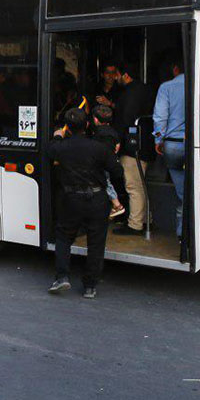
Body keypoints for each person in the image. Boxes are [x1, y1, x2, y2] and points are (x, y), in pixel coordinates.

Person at [47, 108, 126, 299]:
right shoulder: (99, 148)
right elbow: (117, 172)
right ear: (88, 125)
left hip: (70, 199)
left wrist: (58, 136)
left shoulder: (60, 147)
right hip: (97, 199)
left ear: (68, 128)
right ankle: (90, 286)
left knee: (64, 237)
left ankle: (62, 277)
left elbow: (51, 150)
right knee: (96, 243)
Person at [106, 62, 153, 236]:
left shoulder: (129, 93)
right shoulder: (146, 90)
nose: (115, 79)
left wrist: (116, 142)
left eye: (117, 75)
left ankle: (134, 224)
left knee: (133, 186)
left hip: (132, 146)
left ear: (125, 75)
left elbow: (125, 120)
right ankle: (145, 219)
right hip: (146, 142)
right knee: (141, 184)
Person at [153, 58, 186, 240]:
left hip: (172, 145)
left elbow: (160, 116)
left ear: (175, 68)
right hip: (196, 144)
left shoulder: (166, 87)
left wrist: (159, 139)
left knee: (181, 192)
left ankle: (182, 233)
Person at [91, 104, 126, 219]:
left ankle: (117, 205)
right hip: (111, 162)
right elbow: (117, 146)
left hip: (101, 164)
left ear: (95, 119)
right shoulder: (113, 131)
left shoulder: (99, 133)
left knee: (105, 184)